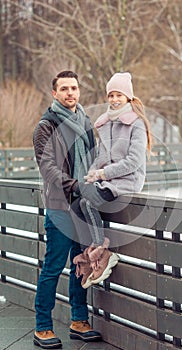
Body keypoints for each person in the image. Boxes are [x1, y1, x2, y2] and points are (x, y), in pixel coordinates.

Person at [32, 70, 102, 349]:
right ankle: (42, 326)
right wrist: (74, 185)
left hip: (84, 205)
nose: (70, 93)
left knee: (80, 264)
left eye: (74, 88)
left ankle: (78, 320)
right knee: (53, 266)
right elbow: (47, 167)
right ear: (55, 94)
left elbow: (95, 159)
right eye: (64, 89)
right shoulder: (45, 127)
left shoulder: (85, 122)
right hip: (61, 206)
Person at [71, 72, 152, 289]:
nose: (114, 99)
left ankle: (102, 252)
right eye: (111, 95)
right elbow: (101, 157)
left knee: (87, 202)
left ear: (128, 97)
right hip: (106, 180)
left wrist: (104, 174)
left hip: (127, 180)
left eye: (119, 95)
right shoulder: (106, 123)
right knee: (76, 204)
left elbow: (134, 161)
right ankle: (90, 255)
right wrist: (92, 173)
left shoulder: (136, 123)